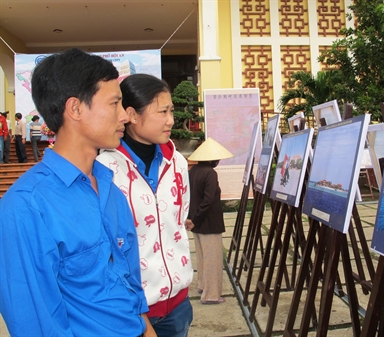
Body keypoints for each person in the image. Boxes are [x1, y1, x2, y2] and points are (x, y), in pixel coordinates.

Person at [0, 48, 153, 336]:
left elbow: (128, 280)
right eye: (115, 103)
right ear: (75, 109)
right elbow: (36, 323)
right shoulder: (26, 207)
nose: (125, 117)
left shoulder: (109, 188)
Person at [97, 73, 194, 337]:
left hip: (178, 306)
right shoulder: (106, 169)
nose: (171, 120)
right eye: (162, 112)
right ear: (132, 115)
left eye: (172, 111)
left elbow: (180, 218)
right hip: (131, 311)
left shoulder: (178, 164)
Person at [185, 137, 233, 304]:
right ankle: (211, 295)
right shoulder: (210, 173)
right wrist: (197, 218)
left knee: (202, 257)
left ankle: (203, 285)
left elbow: (190, 197)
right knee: (212, 259)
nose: (218, 161)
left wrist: (192, 219)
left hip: (197, 222)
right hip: (208, 222)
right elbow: (208, 201)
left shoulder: (193, 171)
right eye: (217, 158)